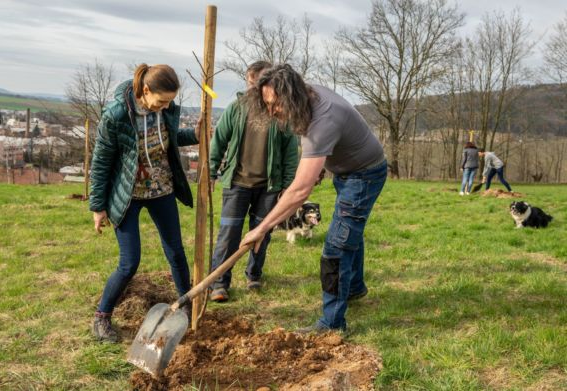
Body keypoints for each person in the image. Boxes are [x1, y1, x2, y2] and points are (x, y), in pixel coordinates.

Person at [240, 64, 387, 333]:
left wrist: (261, 229)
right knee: (349, 231)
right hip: (346, 171)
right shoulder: (307, 100)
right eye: (267, 104)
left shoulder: (323, 119)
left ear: (293, 95)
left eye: (275, 104)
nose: (272, 111)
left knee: (336, 247)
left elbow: (299, 191)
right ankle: (354, 288)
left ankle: (332, 324)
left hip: (364, 175)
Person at [89, 64, 200, 342]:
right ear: (145, 90)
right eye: (161, 101)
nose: (165, 107)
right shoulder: (116, 116)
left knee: (176, 252)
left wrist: (197, 134)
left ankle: (185, 305)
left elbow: (171, 139)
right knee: (129, 263)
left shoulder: (167, 109)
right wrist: (98, 206)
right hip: (128, 194)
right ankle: (101, 318)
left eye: (170, 102)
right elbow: (101, 161)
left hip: (161, 188)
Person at [208, 61, 299, 302]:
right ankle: (219, 282)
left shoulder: (280, 112)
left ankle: (254, 275)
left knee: (262, 234)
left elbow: (290, 152)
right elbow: (219, 140)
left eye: (257, 82)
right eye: (250, 82)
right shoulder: (237, 108)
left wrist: (287, 186)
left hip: (269, 186)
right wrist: (211, 172)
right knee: (229, 234)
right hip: (237, 183)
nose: (253, 87)